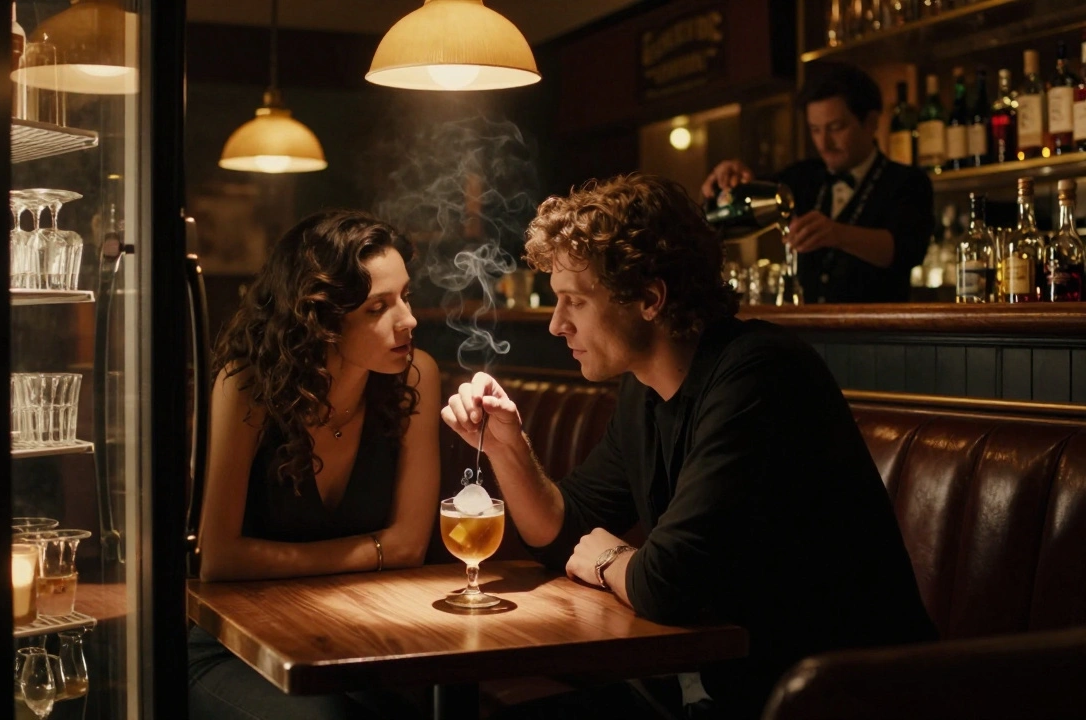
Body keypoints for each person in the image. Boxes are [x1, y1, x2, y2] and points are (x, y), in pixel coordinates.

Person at [441, 175, 937, 719]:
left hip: (835, 695)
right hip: (727, 686)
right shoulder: (645, 390)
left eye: (574, 301)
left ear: (650, 298)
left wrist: (609, 557)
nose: (558, 324)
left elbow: (665, 584)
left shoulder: (760, 375)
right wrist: (507, 445)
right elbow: (562, 533)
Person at [189, 209, 441, 720]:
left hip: (356, 640)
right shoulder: (246, 386)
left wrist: (278, 560)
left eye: (405, 297)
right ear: (321, 319)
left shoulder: (416, 377)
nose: (408, 320)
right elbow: (218, 559)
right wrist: (374, 549)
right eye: (378, 308)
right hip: (234, 646)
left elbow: (410, 545)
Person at [701, 62, 934, 303]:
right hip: (809, 330)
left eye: (836, 128)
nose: (824, 143)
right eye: (815, 130)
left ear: (871, 122)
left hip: (879, 334)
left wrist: (838, 234)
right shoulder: (803, 176)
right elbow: (745, 199)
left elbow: (906, 250)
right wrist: (731, 177)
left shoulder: (908, 181)